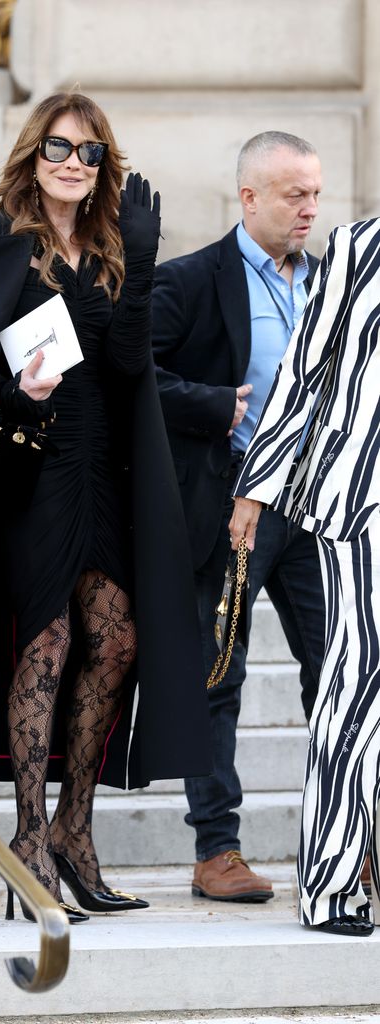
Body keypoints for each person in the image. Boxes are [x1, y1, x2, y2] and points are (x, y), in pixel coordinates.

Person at [0, 92, 211, 921]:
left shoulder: (109, 248)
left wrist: (138, 263)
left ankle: (73, 829)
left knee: (117, 639)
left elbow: (131, 366)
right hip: (26, 478)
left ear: (106, 167)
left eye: (92, 153)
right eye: (61, 148)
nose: (75, 164)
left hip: (103, 473)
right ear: (34, 153)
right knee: (49, 641)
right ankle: (27, 841)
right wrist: (20, 401)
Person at [151, 131, 326, 902]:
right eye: (294, 195)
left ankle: (343, 842)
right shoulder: (190, 281)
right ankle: (215, 851)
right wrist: (214, 406)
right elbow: (136, 378)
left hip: (317, 512)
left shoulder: (332, 285)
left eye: (315, 194)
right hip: (227, 512)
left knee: (339, 678)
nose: (309, 209)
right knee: (216, 677)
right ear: (248, 197)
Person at [230, 217, 380, 936]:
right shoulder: (360, 246)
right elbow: (302, 371)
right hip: (361, 503)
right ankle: (330, 884)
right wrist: (257, 487)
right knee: (353, 691)